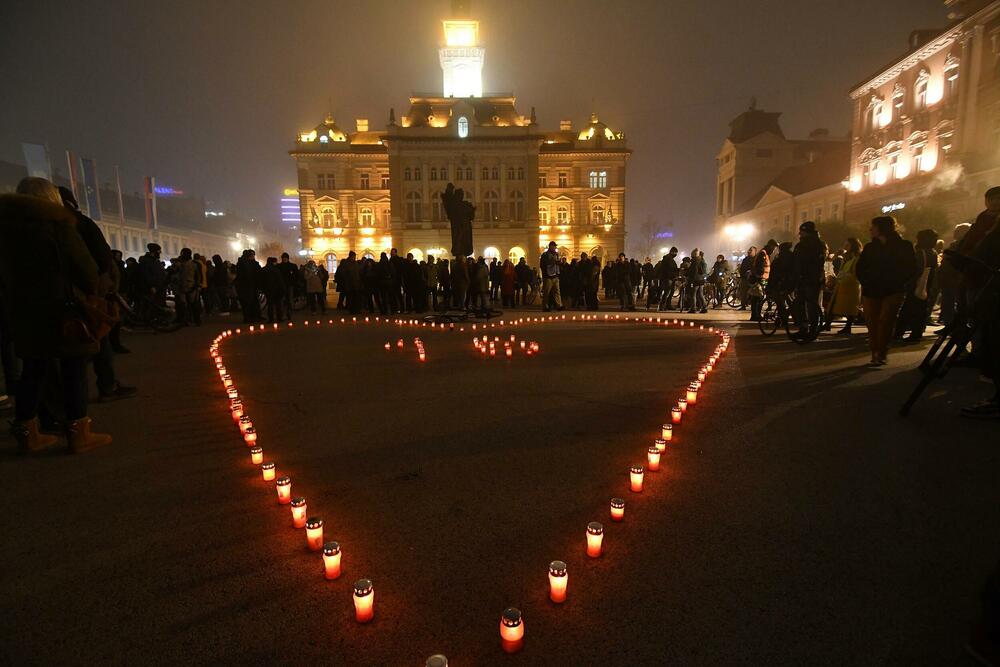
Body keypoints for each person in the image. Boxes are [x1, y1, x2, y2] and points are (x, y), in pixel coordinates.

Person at [0, 177, 112, 452]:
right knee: (74, 367)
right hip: (62, 311)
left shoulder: (6, 232)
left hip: (22, 312)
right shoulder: (57, 226)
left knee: (33, 369)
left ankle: (27, 433)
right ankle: (78, 433)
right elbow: (87, 272)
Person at [856, 216, 918, 365]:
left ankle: (882, 352)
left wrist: (900, 281)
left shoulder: (904, 246)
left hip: (893, 289)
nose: (870, 229)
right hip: (872, 289)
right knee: (872, 322)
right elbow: (860, 267)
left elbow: (911, 267)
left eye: (873, 226)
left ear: (882, 228)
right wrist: (866, 281)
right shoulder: (870, 247)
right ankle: (874, 351)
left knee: (886, 320)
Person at [895, 229, 939, 341]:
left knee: (907, 308)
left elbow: (916, 270)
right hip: (927, 285)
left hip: (916, 284)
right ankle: (917, 332)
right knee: (921, 310)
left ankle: (899, 331)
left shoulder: (920, 253)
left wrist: (908, 282)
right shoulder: (933, 253)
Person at [791, 222, 827, 338]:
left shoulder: (805, 245)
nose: (799, 234)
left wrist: (798, 276)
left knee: (807, 304)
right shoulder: (820, 245)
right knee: (807, 304)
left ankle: (808, 329)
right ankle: (809, 329)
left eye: (801, 232)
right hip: (811, 279)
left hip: (808, 279)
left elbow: (798, 263)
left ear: (806, 232)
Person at [826, 238, 863, 335]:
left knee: (850, 308)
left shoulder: (857, 258)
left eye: (847, 245)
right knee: (833, 305)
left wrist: (845, 276)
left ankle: (847, 327)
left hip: (851, 286)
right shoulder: (846, 257)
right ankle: (828, 324)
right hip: (841, 284)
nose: (845, 247)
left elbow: (856, 273)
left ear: (853, 246)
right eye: (845, 245)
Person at [749, 240, 774, 320]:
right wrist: (760, 277)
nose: (774, 250)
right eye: (773, 247)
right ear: (770, 246)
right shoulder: (763, 253)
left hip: (762, 278)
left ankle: (756, 315)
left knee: (758, 296)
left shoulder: (765, 253)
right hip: (761, 278)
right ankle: (756, 315)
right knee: (758, 297)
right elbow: (760, 266)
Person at [235, 249, 262, 323]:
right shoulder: (244, 263)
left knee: (252, 302)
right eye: (252, 255)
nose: (253, 256)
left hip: (250, 286)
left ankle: (254, 316)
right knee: (247, 302)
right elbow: (247, 275)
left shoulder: (249, 263)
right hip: (246, 286)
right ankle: (248, 318)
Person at [540, 241, 563, 311]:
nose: (555, 248)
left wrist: (559, 263)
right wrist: (553, 262)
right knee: (546, 292)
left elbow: (557, 263)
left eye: (555, 246)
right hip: (548, 276)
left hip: (555, 275)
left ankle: (559, 305)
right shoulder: (545, 255)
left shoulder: (556, 254)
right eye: (554, 246)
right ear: (550, 246)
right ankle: (545, 306)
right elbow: (543, 264)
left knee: (557, 292)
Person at [687, 249, 708, 313]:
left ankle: (693, 308)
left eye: (692, 254)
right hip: (701, 280)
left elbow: (694, 272)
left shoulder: (695, 261)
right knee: (700, 294)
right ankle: (704, 307)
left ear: (694, 255)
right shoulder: (701, 260)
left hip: (695, 280)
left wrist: (691, 279)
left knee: (693, 294)